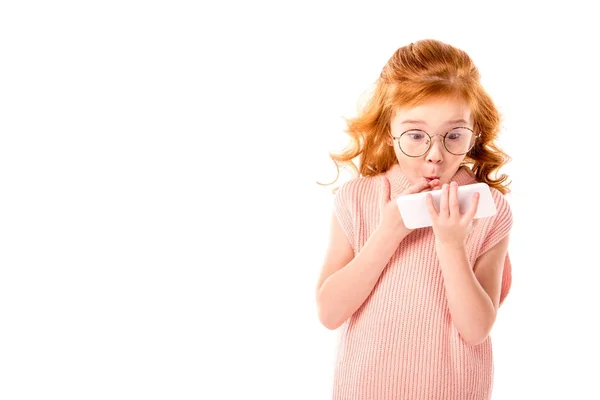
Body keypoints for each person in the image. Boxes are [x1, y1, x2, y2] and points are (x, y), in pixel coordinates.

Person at [315, 39, 513, 399]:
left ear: (474, 131)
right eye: (416, 135)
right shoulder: (357, 199)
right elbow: (329, 313)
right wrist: (389, 232)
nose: (435, 155)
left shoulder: (488, 208)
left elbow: (476, 328)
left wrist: (452, 245)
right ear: (390, 131)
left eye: (454, 135)